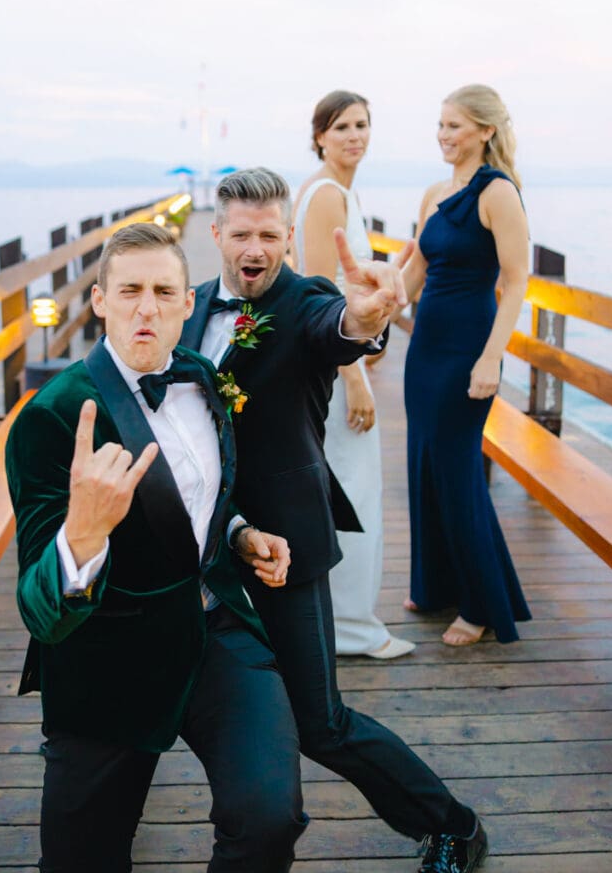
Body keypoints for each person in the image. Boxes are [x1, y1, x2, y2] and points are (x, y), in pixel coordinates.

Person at [181, 168, 488, 873]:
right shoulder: (191, 305)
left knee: (320, 724)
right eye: (240, 234)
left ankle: (453, 825)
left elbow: (340, 329)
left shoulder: (310, 299)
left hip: (290, 541)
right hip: (207, 550)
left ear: (288, 237)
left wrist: (365, 319)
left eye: (268, 234)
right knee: (174, 691)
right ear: (216, 235)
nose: (253, 247)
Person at [6, 223, 307, 873]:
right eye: (131, 290)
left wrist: (237, 534)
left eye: (164, 291)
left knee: (268, 819)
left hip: (214, 629)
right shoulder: (55, 418)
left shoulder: (201, 376)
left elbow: (198, 494)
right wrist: (81, 536)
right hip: (109, 656)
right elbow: (38, 610)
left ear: (188, 303)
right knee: (79, 861)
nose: (148, 307)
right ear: (100, 301)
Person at [402, 84, 532, 646]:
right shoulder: (434, 193)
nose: (443, 135)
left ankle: (480, 605)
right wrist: (368, 316)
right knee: (423, 465)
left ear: (485, 131)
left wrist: (491, 359)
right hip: (425, 345)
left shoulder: (497, 192)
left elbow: (517, 281)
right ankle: (434, 586)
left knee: (457, 475)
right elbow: (411, 276)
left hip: (467, 349)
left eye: (454, 125)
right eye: (440, 124)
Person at [292, 89, 414, 659]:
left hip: (345, 355)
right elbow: (320, 296)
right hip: (336, 366)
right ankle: (350, 629)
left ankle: (343, 622)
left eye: (362, 124)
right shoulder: (324, 196)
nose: (353, 135)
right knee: (352, 488)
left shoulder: (343, 192)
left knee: (349, 486)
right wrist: (356, 375)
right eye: (341, 126)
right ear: (319, 135)